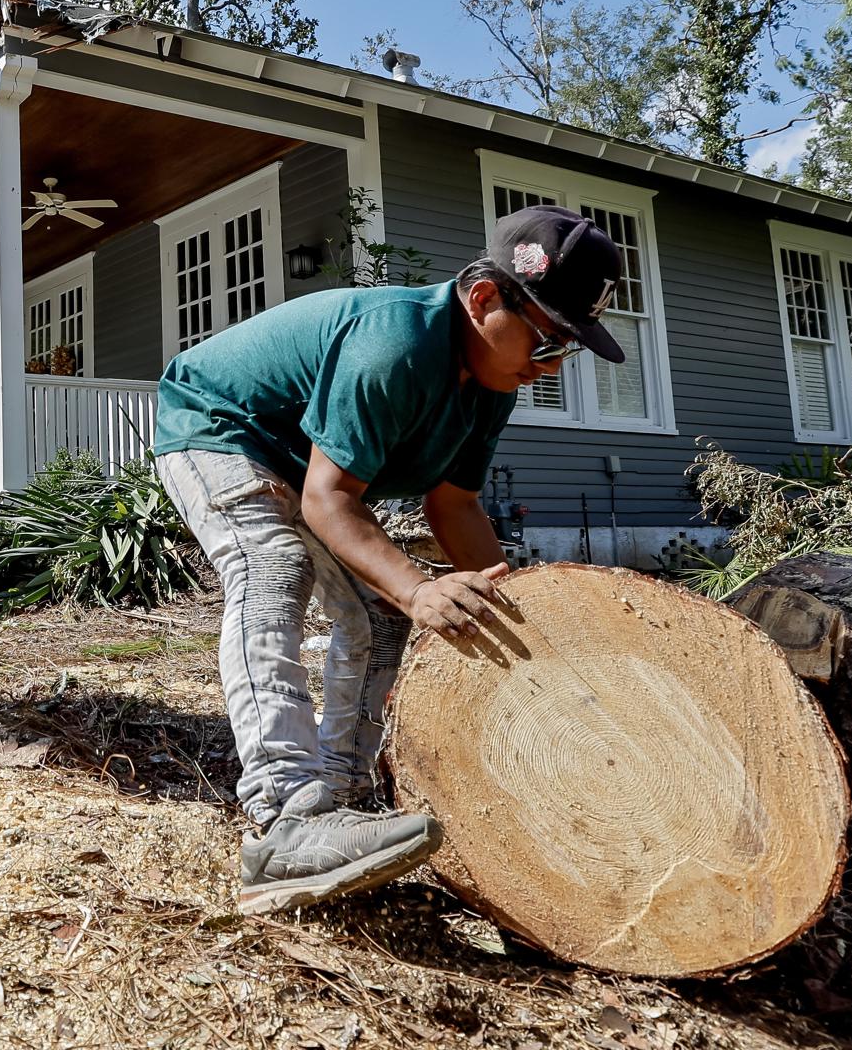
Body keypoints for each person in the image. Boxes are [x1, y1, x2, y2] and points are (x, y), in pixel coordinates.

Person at [152, 203, 626, 915]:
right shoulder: (396, 345)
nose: (550, 366)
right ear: (484, 298)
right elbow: (328, 500)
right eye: (548, 340)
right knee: (274, 565)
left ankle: (344, 800)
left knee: (382, 616)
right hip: (219, 427)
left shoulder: (492, 384)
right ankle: (287, 816)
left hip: (306, 462)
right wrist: (417, 588)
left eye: (568, 350)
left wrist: (527, 626)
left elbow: (456, 507)